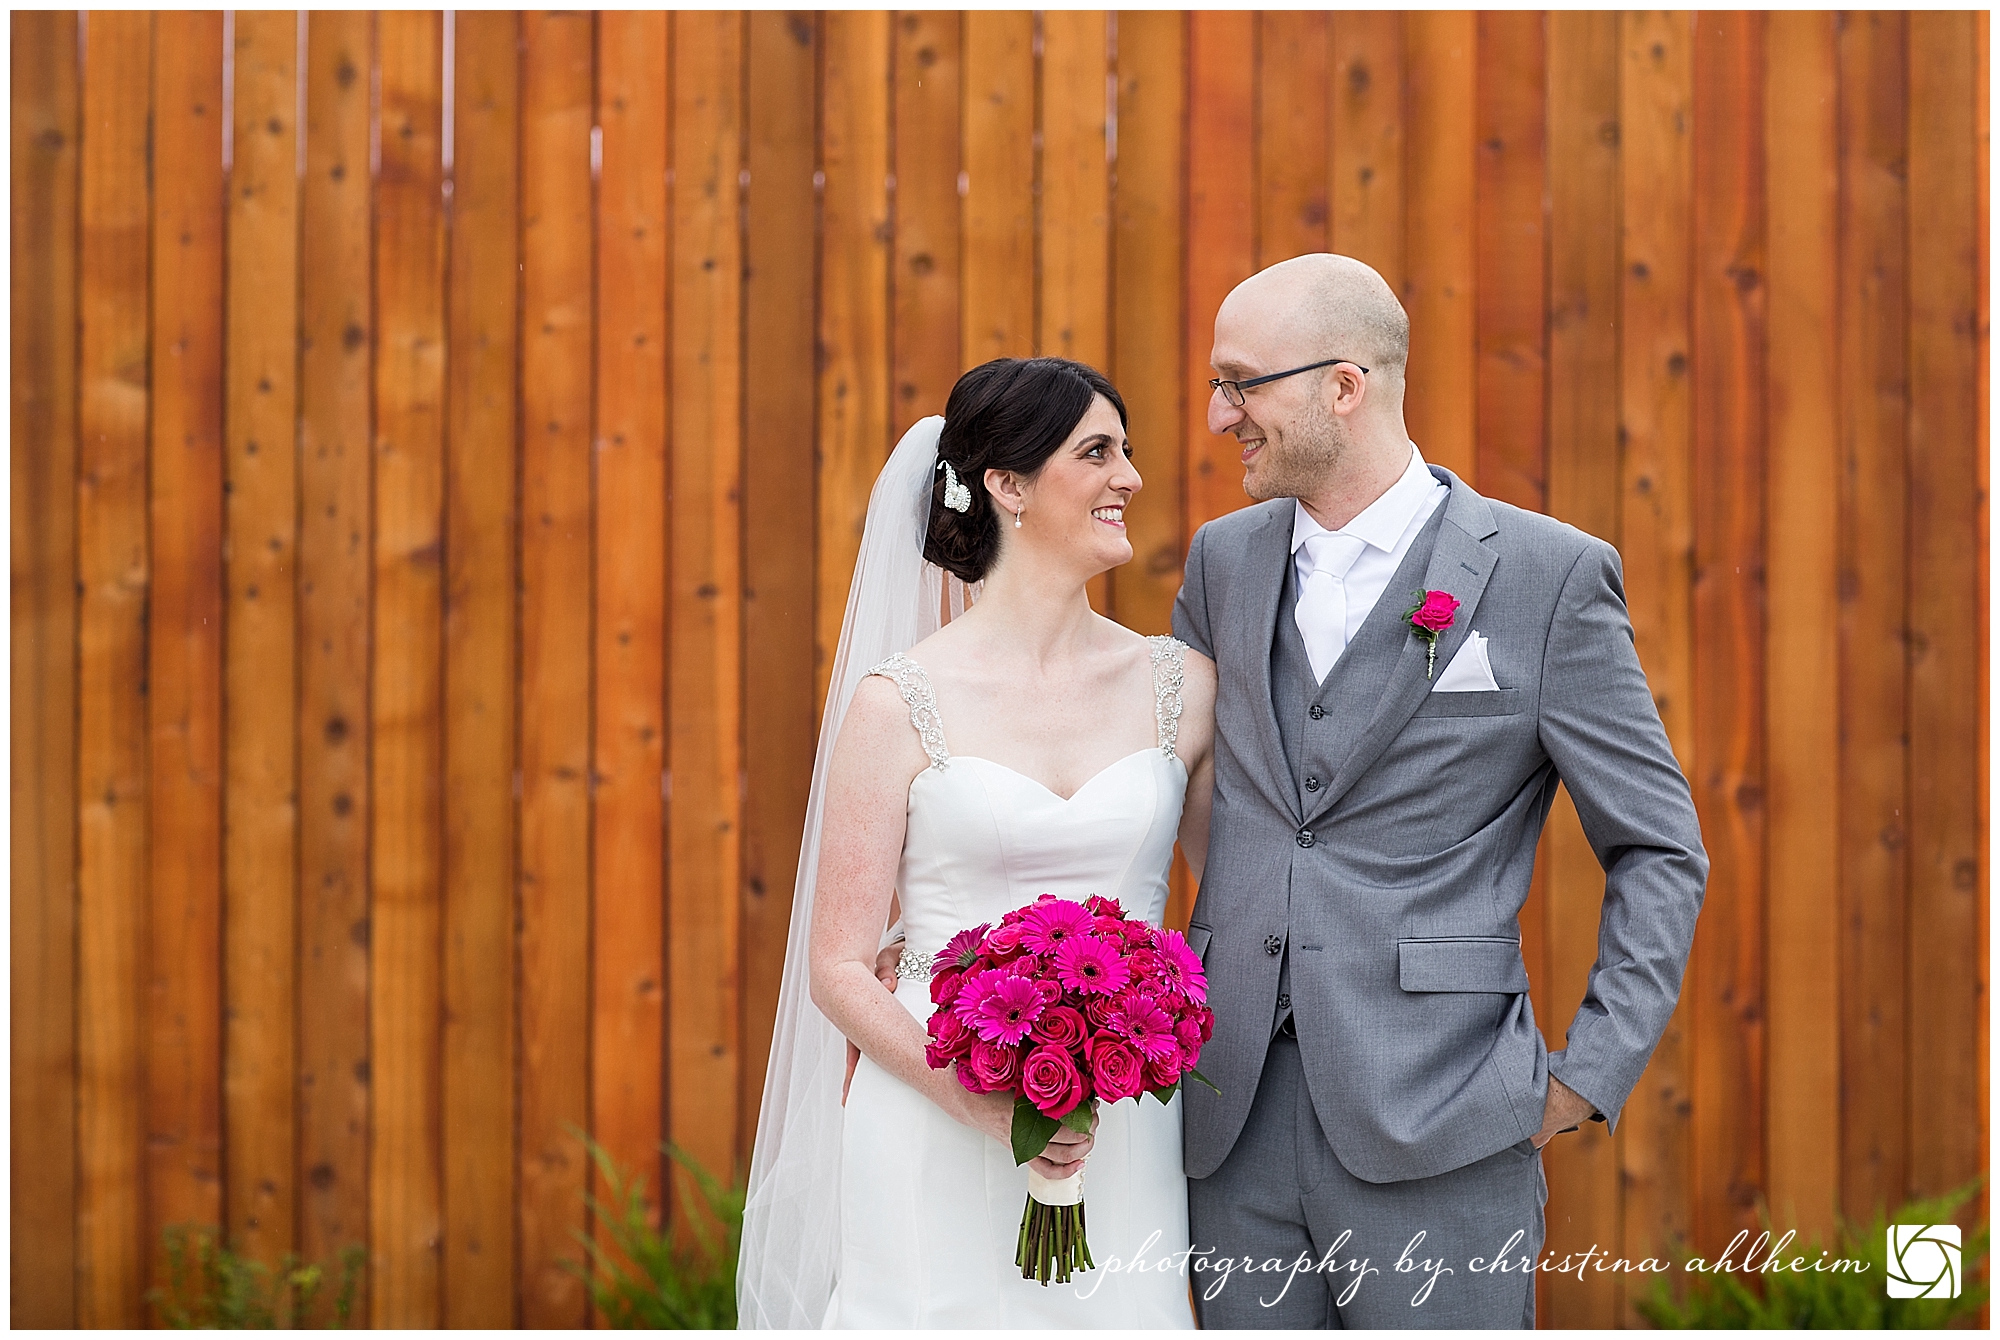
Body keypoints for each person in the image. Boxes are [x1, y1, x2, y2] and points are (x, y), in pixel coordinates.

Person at [1173, 253, 1706, 1328]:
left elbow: (1658, 848)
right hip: (1224, 1121)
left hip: (1444, 1117)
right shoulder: (1219, 562)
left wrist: (1583, 1074)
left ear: (1342, 385)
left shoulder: (1547, 577)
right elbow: (1183, 794)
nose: (1219, 413)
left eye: (1242, 382)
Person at [738, 357, 1217, 1328]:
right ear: (1005, 484)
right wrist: (974, 1101)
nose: (1128, 476)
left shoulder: (1183, 686)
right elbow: (837, 963)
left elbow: (1239, 901)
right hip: (930, 1107)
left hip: (1121, 1122)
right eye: (1096, 451)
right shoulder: (896, 702)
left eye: (1128, 451)